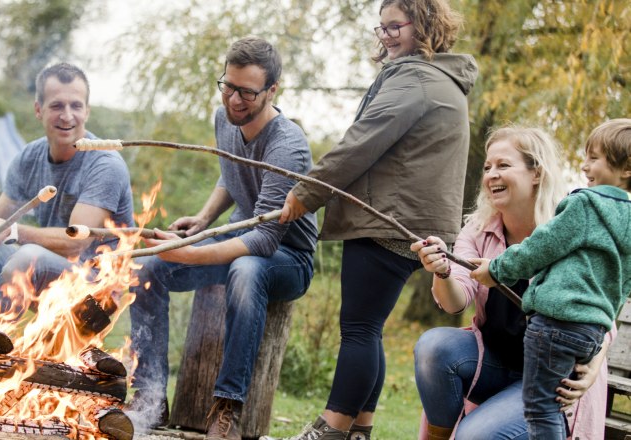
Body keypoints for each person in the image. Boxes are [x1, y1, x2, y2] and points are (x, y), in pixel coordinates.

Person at [277, 1, 477, 438]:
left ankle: (330, 428)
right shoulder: (443, 80)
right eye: (381, 27)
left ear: (423, 26)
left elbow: (361, 142)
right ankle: (360, 429)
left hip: (389, 219)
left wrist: (306, 192)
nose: (385, 36)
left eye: (395, 27)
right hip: (416, 223)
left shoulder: (416, 78)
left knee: (359, 328)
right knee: (371, 329)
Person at [126, 36, 318, 438]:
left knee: (247, 270)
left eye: (247, 92)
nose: (234, 100)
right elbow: (230, 174)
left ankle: (226, 408)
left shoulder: (288, 146)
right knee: (147, 268)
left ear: (272, 91)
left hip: (286, 258)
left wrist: (192, 255)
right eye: (228, 86)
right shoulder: (224, 118)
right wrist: (201, 220)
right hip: (235, 240)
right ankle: (150, 396)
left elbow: (266, 240)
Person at [411, 126, 616, 439]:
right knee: (433, 348)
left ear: (536, 173)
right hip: (495, 362)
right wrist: (442, 271)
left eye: (504, 165)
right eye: (487, 167)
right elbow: (456, 301)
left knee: (473, 436)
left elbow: (604, 310)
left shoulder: (574, 227)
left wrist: (592, 368)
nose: (492, 174)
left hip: (549, 379)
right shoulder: (480, 229)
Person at [0, 62, 135, 321]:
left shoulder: (105, 164)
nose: (67, 115)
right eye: (57, 105)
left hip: (92, 296)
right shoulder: (29, 157)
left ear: (87, 111)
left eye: (76, 106)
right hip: (41, 274)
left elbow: (77, 242)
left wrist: (13, 232)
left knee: (27, 255)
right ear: (39, 110)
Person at [469, 119, 631, 439]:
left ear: (626, 168)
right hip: (591, 331)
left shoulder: (585, 204)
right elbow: (624, 284)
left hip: (555, 326)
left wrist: (497, 270)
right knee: (551, 406)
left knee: (540, 409)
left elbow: (541, 247)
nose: (585, 166)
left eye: (594, 158)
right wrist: (602, 322)